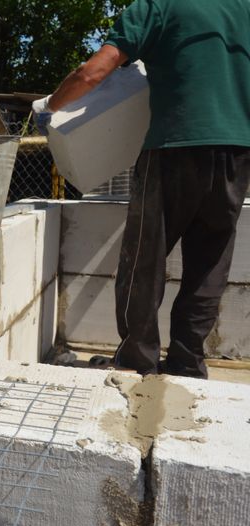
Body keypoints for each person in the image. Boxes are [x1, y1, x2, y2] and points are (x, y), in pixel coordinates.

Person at [32, 0, 250, 378]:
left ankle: (137, 360)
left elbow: (92, 73)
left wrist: (50, 107)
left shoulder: (158, 6)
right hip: (237, 151)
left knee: (143, 260)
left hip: (174, 148)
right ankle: (188, 364)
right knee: (210, 263)